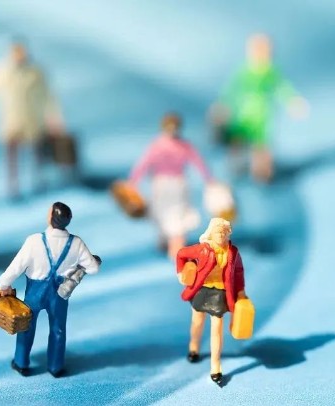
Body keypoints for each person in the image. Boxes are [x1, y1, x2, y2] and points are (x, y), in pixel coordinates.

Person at [0, 202, 101, 377]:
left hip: (34, 292)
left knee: (25, 326)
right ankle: (56, 366)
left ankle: (21, 363)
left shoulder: (34, 241)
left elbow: (16, 266)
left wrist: (3, 284)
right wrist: (81, 267)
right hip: (60, 292)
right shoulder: (76, 243)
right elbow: (93, 268)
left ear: (50, 217)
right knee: (58, 329)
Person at [0, 37, 65, 201]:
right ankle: (13, 187)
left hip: (32, 117)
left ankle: (39, 180)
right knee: (11, 153)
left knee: (37, 151)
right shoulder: (1, 71)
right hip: (10, 117)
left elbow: (48, 95)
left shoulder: (36, 71)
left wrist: (54, 117)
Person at [209, 33, 309, 182]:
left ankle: (262, 170)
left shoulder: (271, 73)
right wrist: (222, 105)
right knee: (238, 139)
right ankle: (238, 164)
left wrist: (293, 102)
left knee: (261, 144)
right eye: (257, 50)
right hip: (243, 114)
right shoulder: (244, 71)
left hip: (262, 116)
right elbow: (231, 90)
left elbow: (282, 88)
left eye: (266, 51)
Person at [128, 113, 214, 259]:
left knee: (169, 213)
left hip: (165, 183)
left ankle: (173, 246)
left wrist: (133, 181)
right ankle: (172, 244)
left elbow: (143, 163)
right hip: (173, 184)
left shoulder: (158, 145)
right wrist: (209, 179)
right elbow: (199, 163)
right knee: (171, 213)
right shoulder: (182, 145)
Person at [176, 218, 248, 386]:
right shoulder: (202, 249)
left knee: (217, 329)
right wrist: (181, 273)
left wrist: (241, 291)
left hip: (220, 293)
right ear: (211, 233)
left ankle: (215, 366)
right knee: (197, 322)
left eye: (224, 232)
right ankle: (194, 347)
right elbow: (181, 254)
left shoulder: (233, 252)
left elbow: (238, 272)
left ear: (228, 234)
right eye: (217, 232)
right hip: (201, 289)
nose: (221, 235)